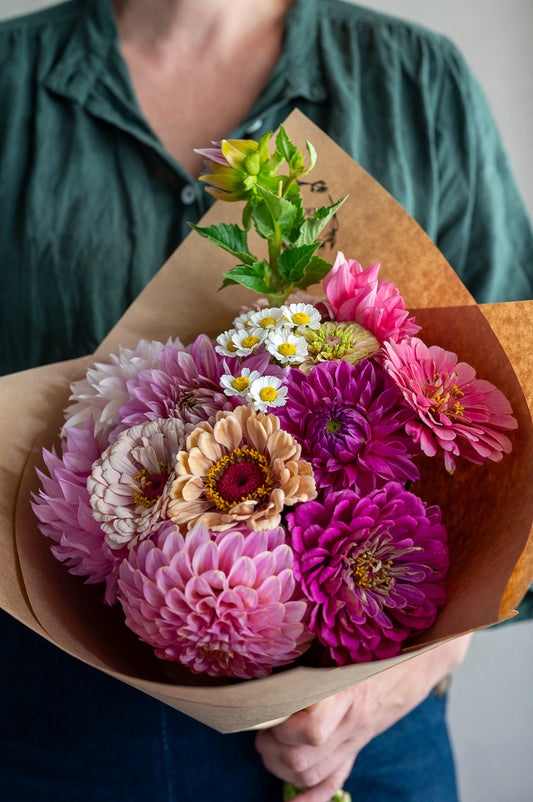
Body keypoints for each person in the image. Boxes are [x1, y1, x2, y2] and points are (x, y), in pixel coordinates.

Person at [0, 0, 531, 800]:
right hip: (54, 731)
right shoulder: (11, 80)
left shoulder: (417, 81)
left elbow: (521, 413)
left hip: (361, 732)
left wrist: (420, 664)